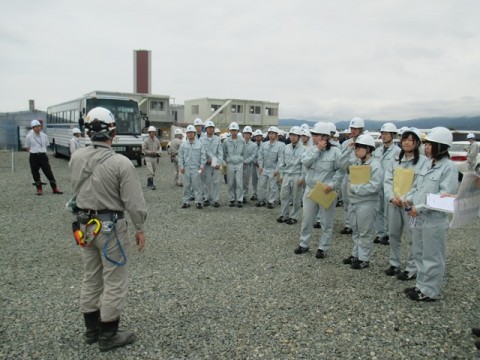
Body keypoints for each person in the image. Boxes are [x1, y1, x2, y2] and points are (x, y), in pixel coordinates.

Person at [69, 107, 147, 352]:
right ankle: (108, 334)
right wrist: (140, 227)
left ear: (88, 131)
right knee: (114, 279)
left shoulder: (76, 157)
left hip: (85, 226)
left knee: (91, 276)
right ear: (112, 131)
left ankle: (91, 330)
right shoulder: (120, 163)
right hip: (110, 228)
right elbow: (134, 202)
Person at [404, 127, 458, 301]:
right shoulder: (428, 164)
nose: (426, 148)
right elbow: (416, 187)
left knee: (432, 256)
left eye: (430, 144)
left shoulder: (448, 168)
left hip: (434, 220)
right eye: (426, 144)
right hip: (419, 217)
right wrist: (408, 198)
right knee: (419, 252)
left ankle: (430, 291)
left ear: (441, 146)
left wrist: (418, 207)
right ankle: (421, 284)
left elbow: (443, 197)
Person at [383, 128, 428, 280]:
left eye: (411, 140)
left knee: (412, 237)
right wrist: (391, 197)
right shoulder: (395, 159)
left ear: (417, 143)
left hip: (410, 206)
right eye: (404, 139)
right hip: (394, 203)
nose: (407, 143)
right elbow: (387, 180)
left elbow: (420, 185)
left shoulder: (423, 162)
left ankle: (412, 268)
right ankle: (394, 263)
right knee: (394, 234)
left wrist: (407, 198)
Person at [294, 123, 343, 258]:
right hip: (310, 189)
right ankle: (304, 244)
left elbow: (340, 170)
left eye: (316, 135)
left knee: (326, 222)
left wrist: (333, 185)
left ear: (325, 137)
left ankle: (323, 247)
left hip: (326, 190)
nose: (314, 138)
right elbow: (305, 162)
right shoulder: (310, 149)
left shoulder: (336, 152)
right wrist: (317, 150)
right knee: (307, 219)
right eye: (313, 135)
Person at [340, 133, 384, 269]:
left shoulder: (375, 166)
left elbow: (375, 186)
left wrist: (355, 188)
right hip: (354, 201)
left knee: (365, 231)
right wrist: (348, 150)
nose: (356, 150)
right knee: (356, 230)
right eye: (356, 148)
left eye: (360, 148)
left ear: (369, 149)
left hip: (367, 202)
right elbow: (342, 165)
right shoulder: (356, 162)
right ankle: (356, 254)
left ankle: (364, 258)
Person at [372, 123, 401, 245]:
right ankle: (380, 233)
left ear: (392, 135)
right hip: (378, 184)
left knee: (389, 211)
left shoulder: (398, 151)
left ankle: (389, 234)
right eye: (382, 133)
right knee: (378, 210)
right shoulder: (378, 150)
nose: (383, 136)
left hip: (390, 185)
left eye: (386, 134)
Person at [339, 117, 365, 234]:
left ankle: (359, 224)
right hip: (347, 174)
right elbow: (341, 161)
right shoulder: (345, 143)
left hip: (360, 175)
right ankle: (348, 224)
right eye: (352, 128)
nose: (353, 131)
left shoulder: (365, 142)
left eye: (356, 128)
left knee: (358, 201)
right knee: (346, 201)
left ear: (361, 129)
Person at [25, 119, 63, 195]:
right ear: (33, 128)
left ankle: (54, 188)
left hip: (43, 155)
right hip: (34, 155)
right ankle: (39, 188)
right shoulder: (29, 136)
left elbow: (46, 145)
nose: (38, 128)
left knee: (48, 171)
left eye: (39, 126)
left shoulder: (44, 136)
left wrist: (41, 151)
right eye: (36, 127)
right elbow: (27, 147)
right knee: (35, 172)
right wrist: (33, 151)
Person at [278, 126, 305, 225]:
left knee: (296, 197)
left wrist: (302, 177)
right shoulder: (286, 147)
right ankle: (284, 215)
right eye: (291, 135)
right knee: (283, 196)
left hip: (296, 175)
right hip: (286, 174)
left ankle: (294, 216)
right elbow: (281, 162)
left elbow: (304, 165)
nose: (292, 137)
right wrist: (281, 174)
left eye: (295, 135)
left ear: (299, 137)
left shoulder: (303, 149)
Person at [257, 126, 285, 209]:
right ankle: (261, 200)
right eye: (270, 133)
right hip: (264, 169)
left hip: (273, 170)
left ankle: (271, 201)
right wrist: (260, 166)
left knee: (272, 187)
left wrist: (277, 169)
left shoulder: (280, 145)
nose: (271, 135)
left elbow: (280, 158)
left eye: (273, 133)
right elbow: (260, 156)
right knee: (262, 185)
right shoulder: (264, 145)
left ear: (276, 135)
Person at [179, 125, 206, 209]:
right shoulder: (183, 145)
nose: (190, 134)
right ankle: (185, 201)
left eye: (192, 133)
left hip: (196, 168)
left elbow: (203, 156)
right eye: (188, 133)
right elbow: (180, 156)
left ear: (194, 133)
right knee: (186, 185)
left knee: (197, 185)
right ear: (186, 134)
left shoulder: (200, 144)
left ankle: (198, 201)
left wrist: (202, 166)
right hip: (186, 168)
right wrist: (181, 166)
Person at [223, 122, 246, 207]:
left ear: (238, 130)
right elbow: (224, 152)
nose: (233, 132)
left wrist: (241, 160)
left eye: (235, 130)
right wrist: (227, 160)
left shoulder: (242, 140)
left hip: (239, 163)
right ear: (229, 131)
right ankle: (232, 199)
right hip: (230, 164)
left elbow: (244, 152)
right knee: (231, 182)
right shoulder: (226, 141)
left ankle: (240, 199)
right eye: (232, 130)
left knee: (239, 182)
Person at [200, 120, 223, 207]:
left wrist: (219, 163)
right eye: (208, 128)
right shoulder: (202, 140)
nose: (210, 129)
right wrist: (206, 160)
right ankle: (206, 199)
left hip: (215, 162)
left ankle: (215, 200)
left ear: (213, 129)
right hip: (207, 163)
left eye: (212, 128)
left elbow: (220, 152)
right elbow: (201, 152)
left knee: (216, 182)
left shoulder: (217, 139)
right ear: (206, 129)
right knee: (206, 182)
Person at [142, 126, 162, 190]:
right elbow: (144, 149)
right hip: (148, 157)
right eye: (152, 132)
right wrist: (150, 152)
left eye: (154, 132)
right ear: (149, 133)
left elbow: (160, 147)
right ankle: (150, 185)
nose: (153, 134)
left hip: (155, 158)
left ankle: (149, 183)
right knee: (150, 171)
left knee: (153, 170)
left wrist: (158, 152)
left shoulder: (157, 140)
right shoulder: (146, 141)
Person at [242, 126, 257, 203]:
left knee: (245, 181)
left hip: (247, 165)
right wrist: (241, 161)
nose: (247, 135)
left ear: (251, 135)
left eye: (248, 134)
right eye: (245, 133)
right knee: (238, 181)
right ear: (243, 134)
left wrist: (245, 162)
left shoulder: (254, 145)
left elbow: (253, 155)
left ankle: (244, 196)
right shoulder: (240, 142)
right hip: (239, 164)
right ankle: (238, 196)